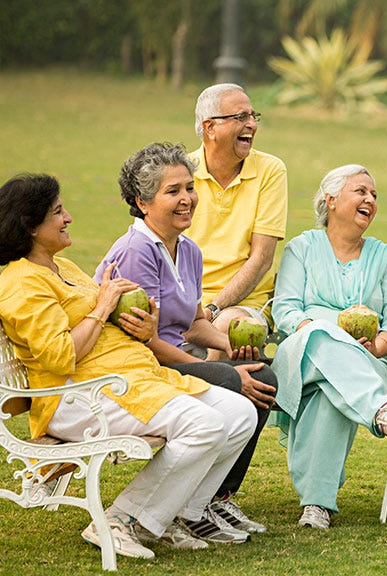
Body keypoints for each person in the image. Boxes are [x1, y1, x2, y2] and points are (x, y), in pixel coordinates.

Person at [0, 174, 257, 559]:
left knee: (239, 413)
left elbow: (107, 325)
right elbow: (60, 356)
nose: (68, 218)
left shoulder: (64, 267)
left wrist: (145, 327)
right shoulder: (21, 283)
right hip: (79, 394)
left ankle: (175, 517)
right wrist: (103, 307)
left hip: (131, 379)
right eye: (57, 212)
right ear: (30, 227)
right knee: (203, 425)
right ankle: (122, 520)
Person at [95, 142, 278, 540]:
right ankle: (184, 509)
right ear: (143, 202)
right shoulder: (136, 251)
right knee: (235, 382)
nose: (187, 199)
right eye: (172, 191)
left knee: (261, 374)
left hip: (169, 359)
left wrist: (229, 347)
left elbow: (193, 322)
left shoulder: (188, 249)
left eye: (190, 188)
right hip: (137, 368)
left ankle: (212, 500)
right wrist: (214, 372)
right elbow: (141, 341)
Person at [269, 164, 387, 530]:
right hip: (304, 353)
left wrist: (380, 345)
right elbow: (285, 308)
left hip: (367, 360)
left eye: (374, 195)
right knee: (322, 335)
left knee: (329, 396)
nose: (370, 199)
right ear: (331, 200)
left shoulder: (384, 256)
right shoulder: (301, 248)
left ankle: (316, 505)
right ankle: (383, 412)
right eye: (361, 191)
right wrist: (325, 332)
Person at [186, 83, 288, 359]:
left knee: (226, 327)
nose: (252, 125)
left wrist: (212, 310)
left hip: (241, 306)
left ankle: (210, 394)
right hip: (186, 303)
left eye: (254, 116)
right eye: (241, 117)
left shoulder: (270, 171)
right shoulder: (181, 173)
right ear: (210, 128)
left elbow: (261, 259)